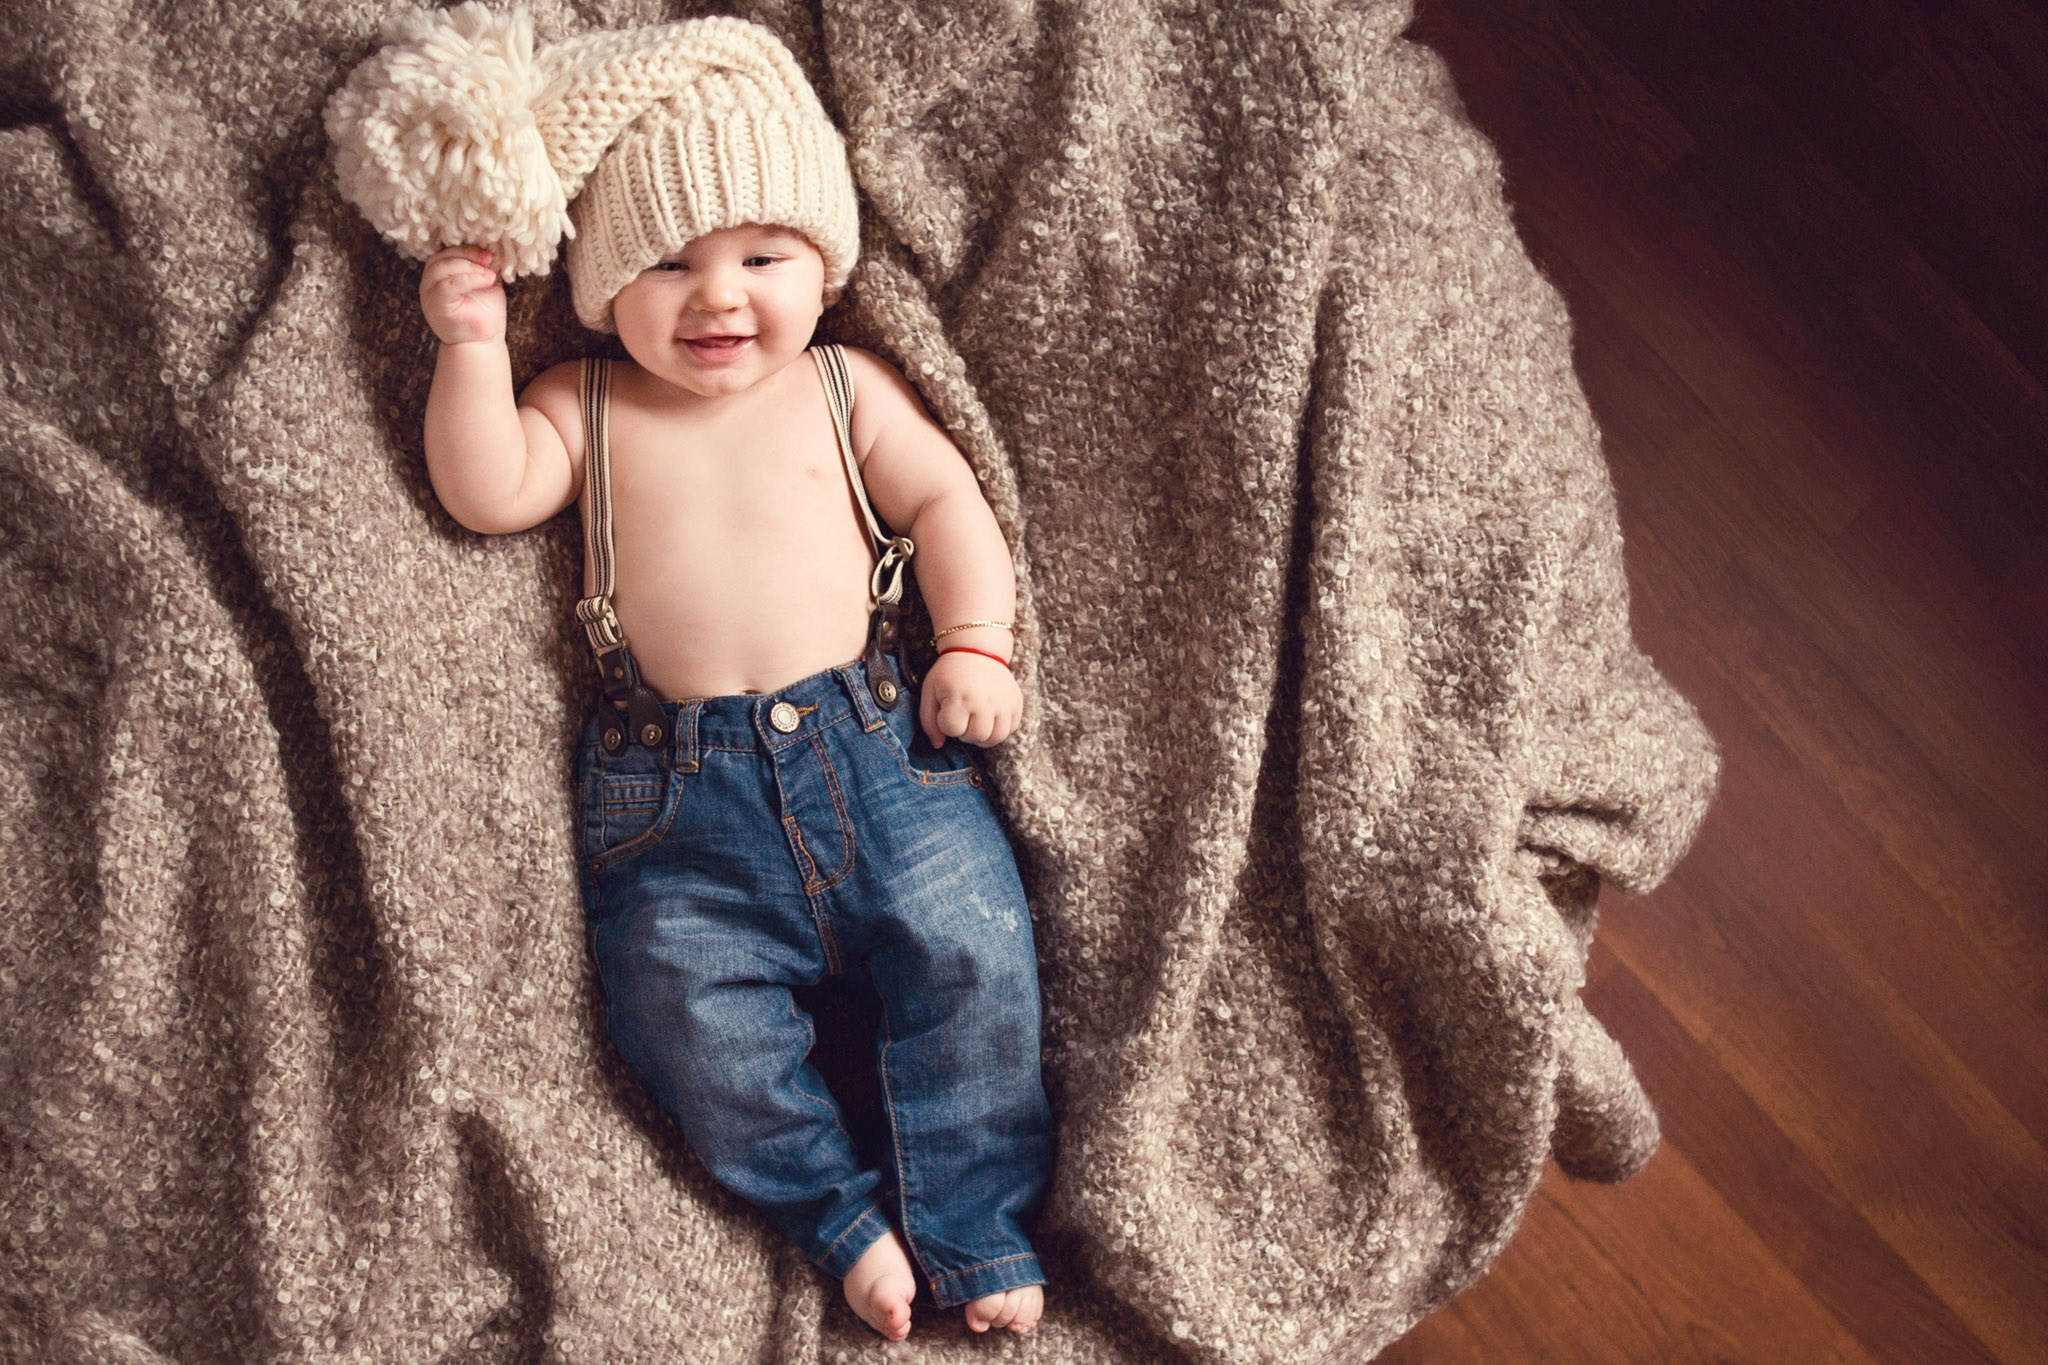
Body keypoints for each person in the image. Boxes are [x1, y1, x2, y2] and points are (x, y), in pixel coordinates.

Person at [325, 4, 1054, 1340]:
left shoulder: (842, 386)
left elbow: (950, 505)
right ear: (605, 290)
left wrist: (975, 645)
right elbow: (484, 492)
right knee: (681, 1013)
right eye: (669, 263)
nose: (721, 296)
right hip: (677, 806)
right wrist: (472, 342)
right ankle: (834, 1213)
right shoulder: (587, 406)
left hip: (884, 755)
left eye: (763, 255)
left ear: (821, 266)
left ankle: (972, 1217)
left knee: (977, 957)